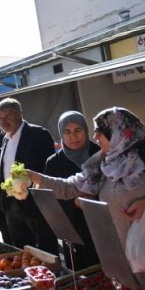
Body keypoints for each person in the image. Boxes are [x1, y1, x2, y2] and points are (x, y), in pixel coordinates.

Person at [26, 107, 145, 290]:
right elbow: (69, 187)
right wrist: (35, 177)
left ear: (120, 132)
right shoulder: (103, 162)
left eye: (100, 132)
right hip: (125, 257)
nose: (94, 137)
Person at [0, 98, 60, 254]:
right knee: (23, 250)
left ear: (19, 115)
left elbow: (49, 168)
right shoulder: (4, 138)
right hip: (11, 205)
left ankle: (52, 277)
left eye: (7, 117)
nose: (3, 122)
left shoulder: (38, 134)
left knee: (46, 251)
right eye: (0, 118)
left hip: (35, 205)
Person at [43, 111, 100, 269]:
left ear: (86, 130)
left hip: (102, 226)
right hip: (73, 230)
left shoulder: (100, 154)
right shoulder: (54, 163)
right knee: (79, 274)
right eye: (67, 132)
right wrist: (74, 203)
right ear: (61, 134)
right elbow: (50, 201)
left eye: (77, 130)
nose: (73, 137)